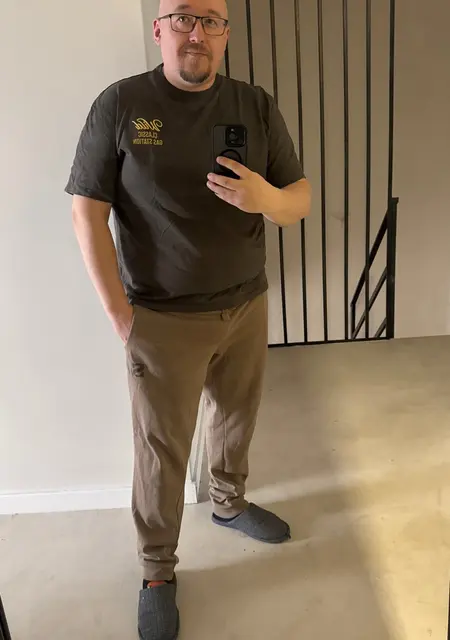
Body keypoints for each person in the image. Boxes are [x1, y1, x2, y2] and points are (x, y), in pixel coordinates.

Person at [66, 0, 311, 638]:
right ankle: (156, 570)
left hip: (246, 302)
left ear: (225, 34)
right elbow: (86, 210)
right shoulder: (121, 104)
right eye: (182, 18)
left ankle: (228, 504)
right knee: (161, 450)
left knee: (236, 418)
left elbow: (298, 200)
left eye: (211, 21)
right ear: (159, 30)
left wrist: (266, 197)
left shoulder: (255, 105)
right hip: (162, 316)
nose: (196, 32)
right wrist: (122, 317)